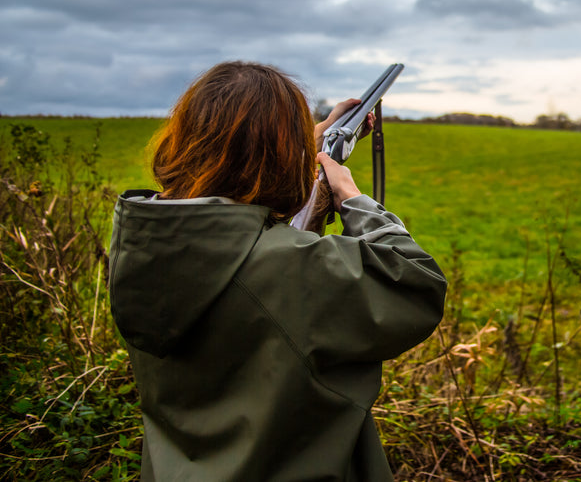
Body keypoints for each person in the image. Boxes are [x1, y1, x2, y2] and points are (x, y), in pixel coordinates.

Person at [107, 61, 446, 481]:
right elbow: (417, 286)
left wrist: (309, 146)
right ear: (281, 155)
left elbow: (240, 246)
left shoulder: (148, 243)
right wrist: (352, 198)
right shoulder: (288, 268)